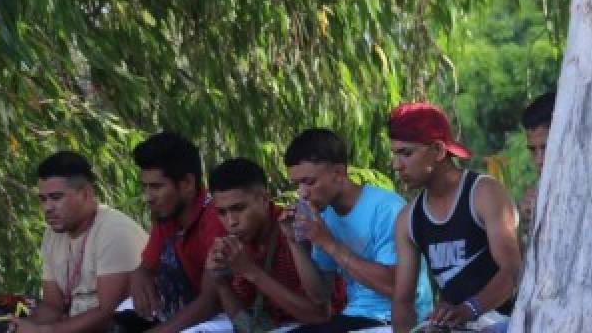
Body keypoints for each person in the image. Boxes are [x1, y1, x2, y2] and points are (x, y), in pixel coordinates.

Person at [388, 103, 521, 333]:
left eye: (406, 154)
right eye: (395, 154)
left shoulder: (483, 192)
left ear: (439, 151)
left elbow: (513, 271)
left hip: (505, 321)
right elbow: (402, 301)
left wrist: (468, 309)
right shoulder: (407, 219)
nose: (397, 166)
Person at [282, 128, 432, 332]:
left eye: (309, 182)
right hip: (355, 317)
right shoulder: (325, 217)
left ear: (339, 173)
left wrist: (328, 242)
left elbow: (397, 288)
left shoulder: (387, 208)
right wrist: (294, 242)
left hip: (395, 321)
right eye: (297, 185)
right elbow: (320, 295)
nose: (302, 193)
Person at [14, 152, 148, 333]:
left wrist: (46, 331)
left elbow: (109, 314)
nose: (47, 208)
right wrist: (16, 327)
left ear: (86, 194)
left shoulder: (114, 231)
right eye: (43, 199)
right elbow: (53, 305)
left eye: (56, 197)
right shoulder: (52, 234)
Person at [204, 157, 335, 331]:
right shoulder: (238, 239)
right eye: (222, 212)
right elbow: (245, 324)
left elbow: (319, 315)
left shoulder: (295, 227)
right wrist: (220, 282)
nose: (231, 222)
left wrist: (250, 271)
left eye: (239, 209)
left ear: (264, 199)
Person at [126, 132, 225, 333]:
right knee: (120, 319)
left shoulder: (217, 217)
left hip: (225, 316)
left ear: (187, 184)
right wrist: (139, 273)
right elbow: (147, 266)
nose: (148, 197)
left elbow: (211, 301)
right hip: (186, 312)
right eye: (144, 187)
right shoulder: (167, 215)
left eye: (156, 187)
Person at [517, 91, 555, 239]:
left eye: (546, 148)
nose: (539, 160)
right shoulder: (536, 194)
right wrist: (524, 223)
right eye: (533, 150)